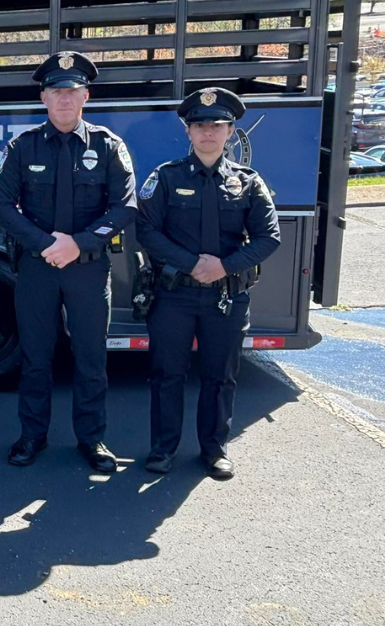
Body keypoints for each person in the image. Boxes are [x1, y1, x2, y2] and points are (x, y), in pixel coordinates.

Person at [0, 51, 137, 472]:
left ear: (86, 96)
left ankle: (92, 440)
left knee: (91, 358)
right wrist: (44, 244)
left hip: (88, 268)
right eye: (56, 91)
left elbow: (125, 206)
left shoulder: (109, 146)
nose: (64, 99)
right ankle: (31, 436)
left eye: (72, 91)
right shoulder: (24, 146)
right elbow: (1, 205)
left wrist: (78, 243)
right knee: (36, 357)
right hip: (38, 267)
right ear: (43, 97)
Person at [136, 87, 280, 480]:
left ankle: (214, 450)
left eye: (217, 125)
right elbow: (147, 230)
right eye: (200, 125)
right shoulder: (165, 177)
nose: (208, 132)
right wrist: (192, 263)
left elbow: (269, 237)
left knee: (220, 376)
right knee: (167, 375)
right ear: (188, 131)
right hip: (174, 295)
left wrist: (224, 267)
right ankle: (163, 449)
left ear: (231, 131)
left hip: (226, 297)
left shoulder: (248, 182)